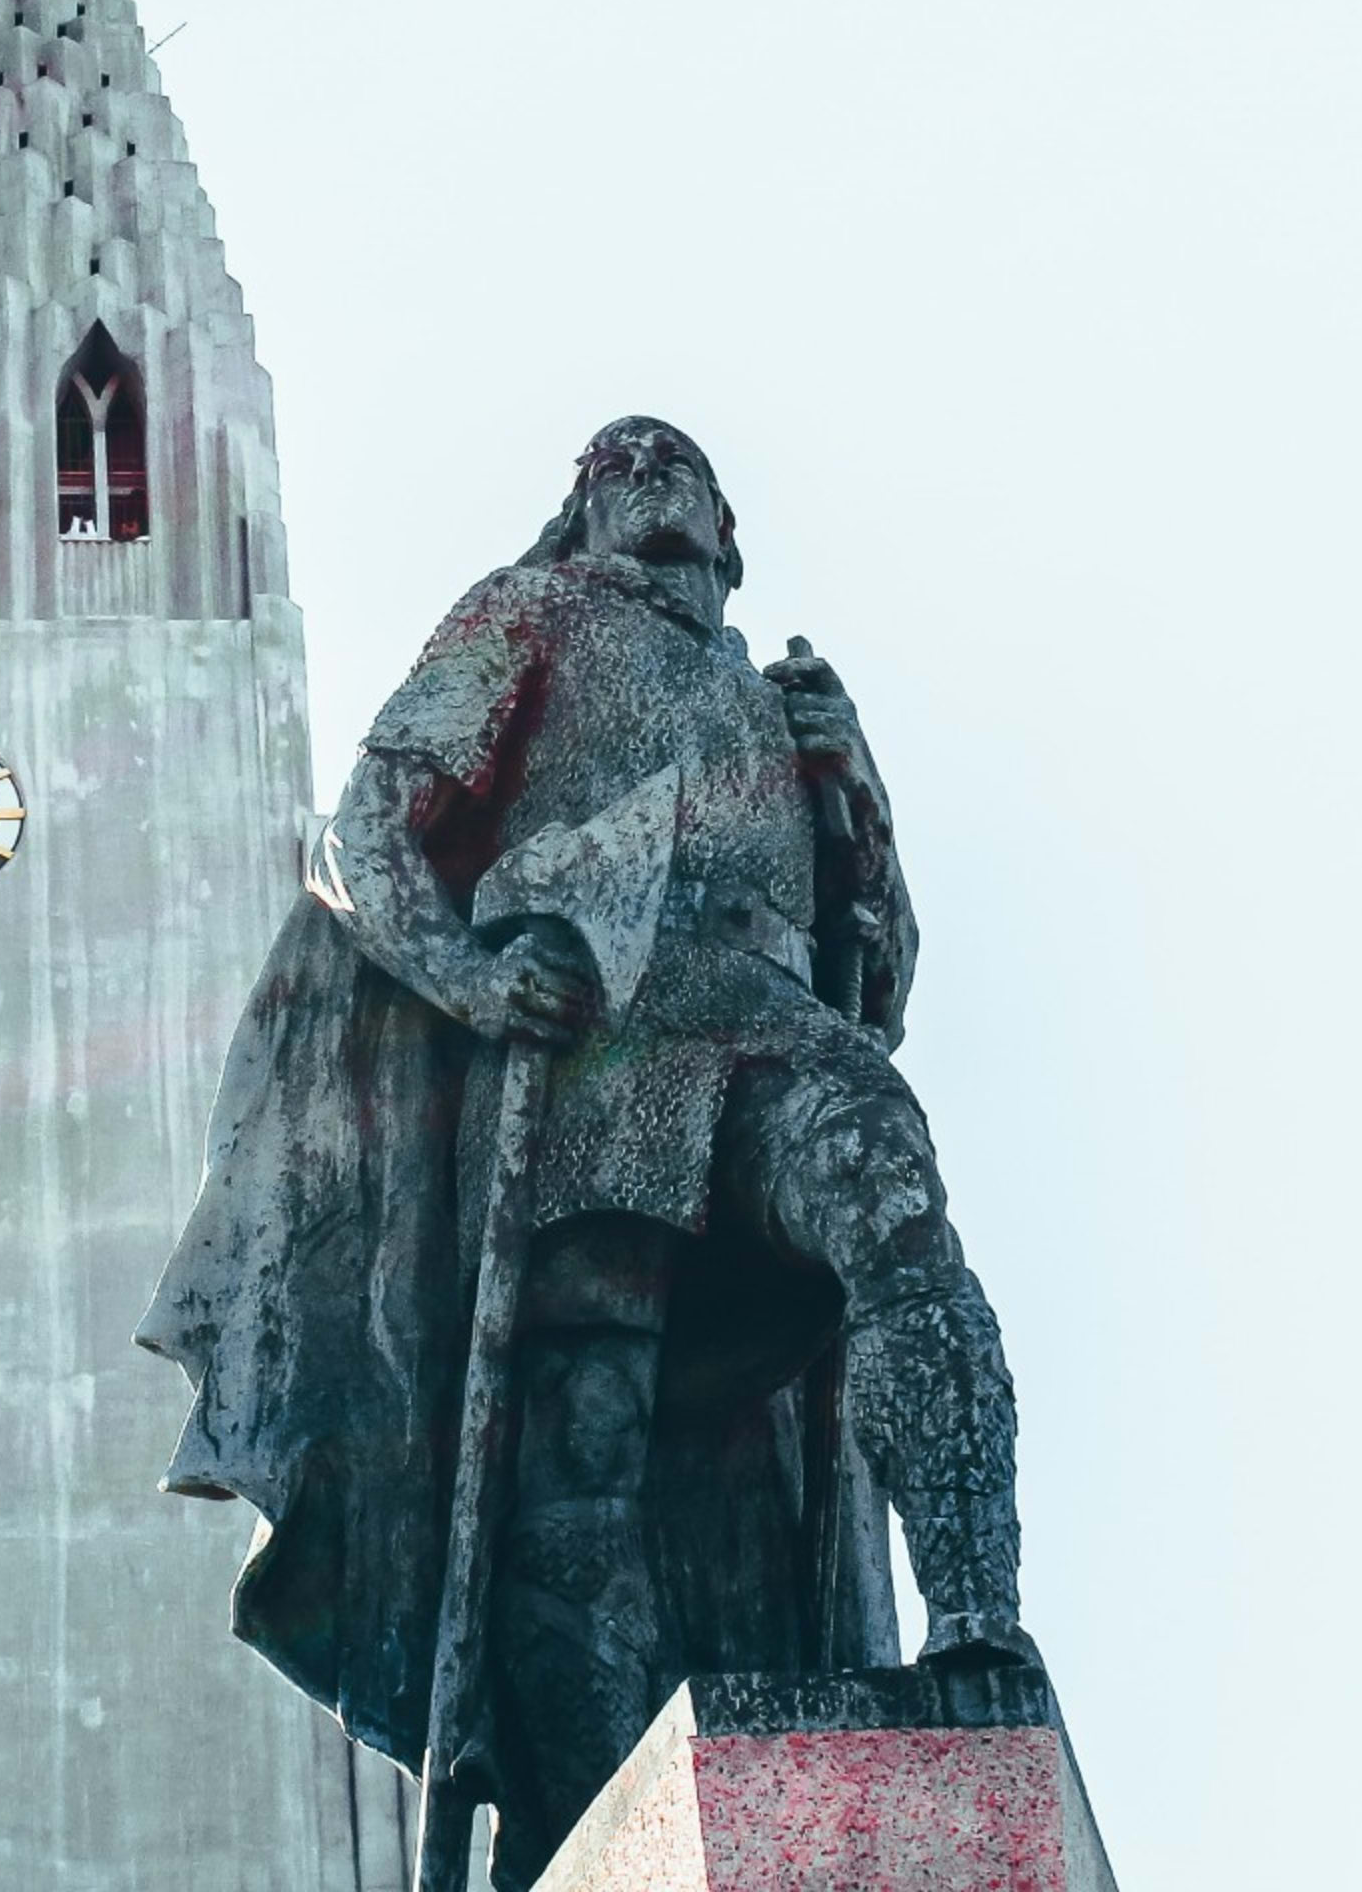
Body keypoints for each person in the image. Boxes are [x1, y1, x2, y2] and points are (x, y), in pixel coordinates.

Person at [142, 417, 1034, 1892]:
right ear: (582, 514)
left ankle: (980, 1624)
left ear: (729, 535)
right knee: (584, 1450)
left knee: (894, 1214)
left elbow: (879, 978)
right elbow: (367, 831)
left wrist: (856, 806)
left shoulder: (784, 698)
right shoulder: (527, 614)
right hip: (596, 1061)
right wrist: (471, 981)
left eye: (677, 469)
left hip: (767, 1027)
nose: (646, 477)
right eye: (617, 467)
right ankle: (596, 1812)